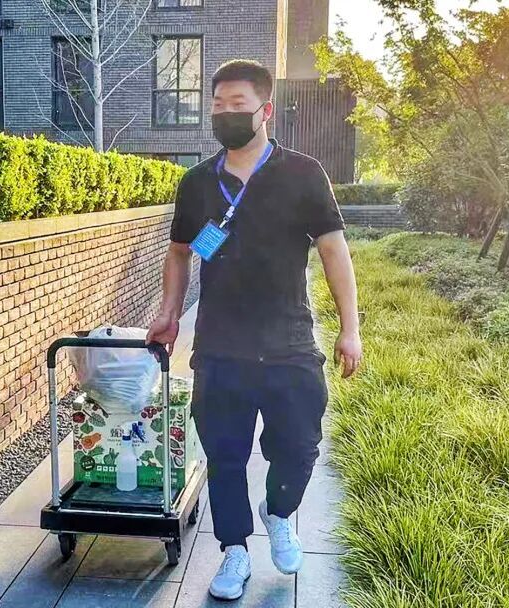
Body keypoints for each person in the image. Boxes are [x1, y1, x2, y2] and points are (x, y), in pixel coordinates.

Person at [146, 59, 362, 601]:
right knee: (225, 455)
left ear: (265, 111)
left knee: (300, 445)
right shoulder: (198, 183)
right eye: (217, 105)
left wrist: (350, 328)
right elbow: (180, 253)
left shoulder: (303, 173)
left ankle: (279, 511)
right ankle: (234, 550)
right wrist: (169, 312)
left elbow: (334, 250)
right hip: (221, 346)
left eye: (237, 105)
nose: (225, 114)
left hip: (289, 341)